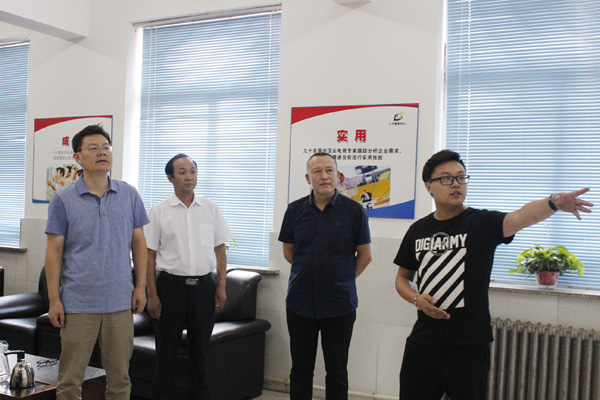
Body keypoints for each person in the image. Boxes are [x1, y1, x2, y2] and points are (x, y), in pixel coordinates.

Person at [393, 149, 593, 400]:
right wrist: (416, 299)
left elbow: (522, 216)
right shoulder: (418, 230)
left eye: (461, 177)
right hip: (424, 341)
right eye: (446, 178)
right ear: (428, 186)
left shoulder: (482, 222)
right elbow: (402, 278)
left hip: (469, 345)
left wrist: (552, 203)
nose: (456, 183)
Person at [44, 124, 149, 400]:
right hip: (78, 303)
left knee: (120, 380)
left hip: (119, 301)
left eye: (106, 148)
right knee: (70, 381)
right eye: (93, 148)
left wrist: (140, 287)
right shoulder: (63, 199)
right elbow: (54, 252)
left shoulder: (129, 194)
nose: (102, 153)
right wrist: (54, 300)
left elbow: (139, 243)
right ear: (77, 157)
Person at [279, 152, 372, 400]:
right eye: (317, 171)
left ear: (338, 175)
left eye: (329, 170)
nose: (324, 176)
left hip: (339, 304)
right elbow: (288, 251)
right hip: (300, 303)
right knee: (300, 369)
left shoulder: (353, 211)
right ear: (307, 177)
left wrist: (342, 278)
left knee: (337, 371)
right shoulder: (294, 210)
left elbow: (365, 255)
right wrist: (309, 271)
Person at [144, 153, 232, 400]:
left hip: (203, 288)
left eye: (192, 171)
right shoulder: (159, 212)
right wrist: (152, 295)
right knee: (166, 354)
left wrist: (221, 286)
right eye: (182, 172)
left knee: (201, 354)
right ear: (170, 178)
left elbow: (220, 250)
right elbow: (149, 257)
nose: (189, 177)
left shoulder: (210, 208)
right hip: (170, 288)